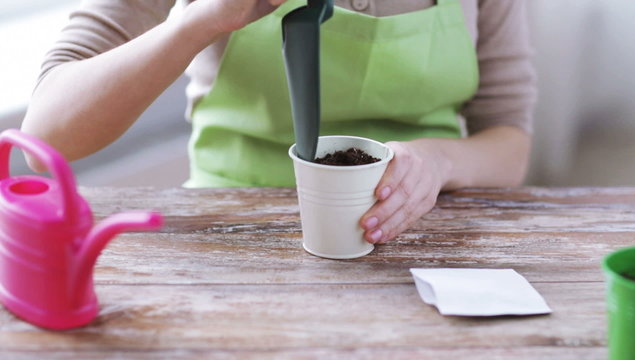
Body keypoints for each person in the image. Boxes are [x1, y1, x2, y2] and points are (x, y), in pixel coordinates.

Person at [21, 0, 535, 244]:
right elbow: (48, 134)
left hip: (428, 238)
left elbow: (510, 140)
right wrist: (197, 21)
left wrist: (440, 161)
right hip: (231, 236)